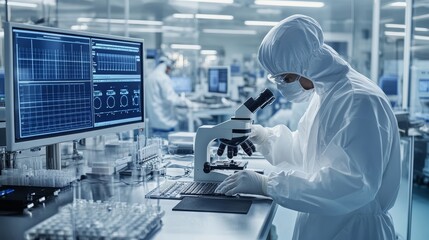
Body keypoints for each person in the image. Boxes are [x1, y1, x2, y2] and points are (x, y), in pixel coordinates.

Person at [215, 15, 401, 240]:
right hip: (327, 221)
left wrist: (268, 185)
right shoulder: (325, 92)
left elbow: (353, 185)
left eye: (286, 78)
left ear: (307, 65)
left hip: (353, 229)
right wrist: (263, 136)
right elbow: (305, 150)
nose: (284, 86)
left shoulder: (358, 100)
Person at [146, 56, 191, 139]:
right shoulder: (163, 78)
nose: (169, 71)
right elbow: (171, 98)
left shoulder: (150, 76)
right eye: (170, 69)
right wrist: (186, 102)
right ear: (167, 67)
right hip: (165, 123)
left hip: (154, 122)